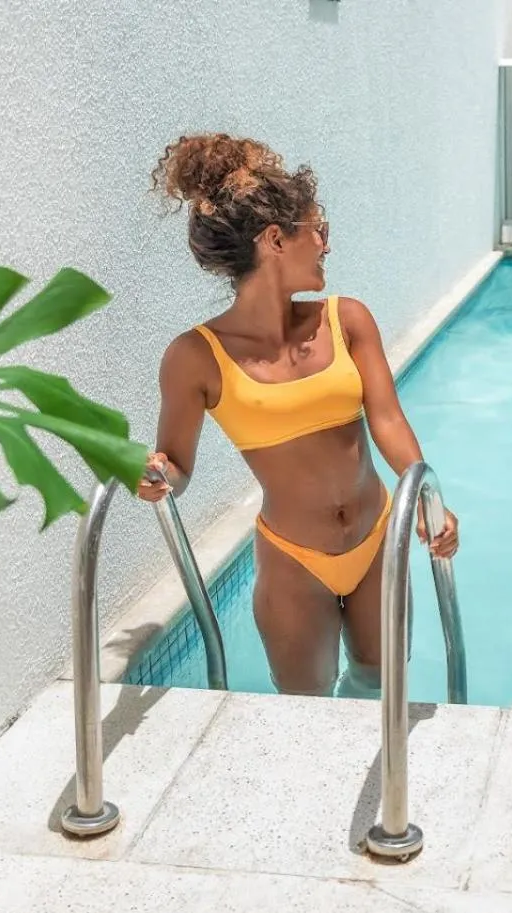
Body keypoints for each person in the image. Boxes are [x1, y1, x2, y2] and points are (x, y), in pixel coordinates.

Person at [137, 133, 458, 697]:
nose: (327, 244)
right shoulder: (195, 357)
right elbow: (178, 467)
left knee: (378, 695)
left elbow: (387, 420)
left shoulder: (348, 319)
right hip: (292, 563)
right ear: (275, 240)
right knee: (304, 719)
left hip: (378, 536)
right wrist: (157, 475)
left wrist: (428, 500)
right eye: (318, 230)